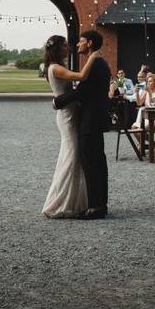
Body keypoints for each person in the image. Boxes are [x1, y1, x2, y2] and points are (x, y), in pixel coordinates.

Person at [41, 34, 102, 219]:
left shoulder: (56, 67)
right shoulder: (56, 68)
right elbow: (82, 76)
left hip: (69, 112)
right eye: (66, 45)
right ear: (58, 48)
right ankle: (58, 203)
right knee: (71, 155)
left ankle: (75, 200)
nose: (69, 47)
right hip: (67, 116)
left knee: (73, 156)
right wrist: (93, 56)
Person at [53, 30, 111, 220]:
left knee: (92, 162)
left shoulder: (96, 64)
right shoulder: (97, 62)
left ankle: (96, 206)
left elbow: (84, 91)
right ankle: (99, 203)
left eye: (81, 41)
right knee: (97, 161)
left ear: (90, 43)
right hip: (91, 119)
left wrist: (58, 101)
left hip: (90, 121)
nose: (78, 44)